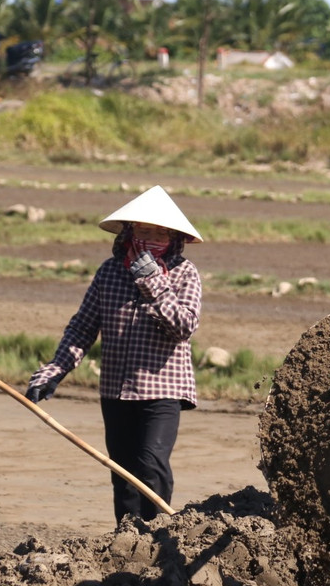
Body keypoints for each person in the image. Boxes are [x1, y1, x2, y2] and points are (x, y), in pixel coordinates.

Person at [26, 186, 203, 524]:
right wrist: (53, 372)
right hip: (116, 390)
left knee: (151, 466)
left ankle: (159, 538)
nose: (148, 236)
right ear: (129, 230)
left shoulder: (184, 273)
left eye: (157, 231)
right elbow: (82, 329)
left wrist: (152, 281)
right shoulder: (110, 272)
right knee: (122, 475)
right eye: (141, 229)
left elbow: (183, 326)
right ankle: (127, 546)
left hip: (162, 389)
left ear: (172, 235)